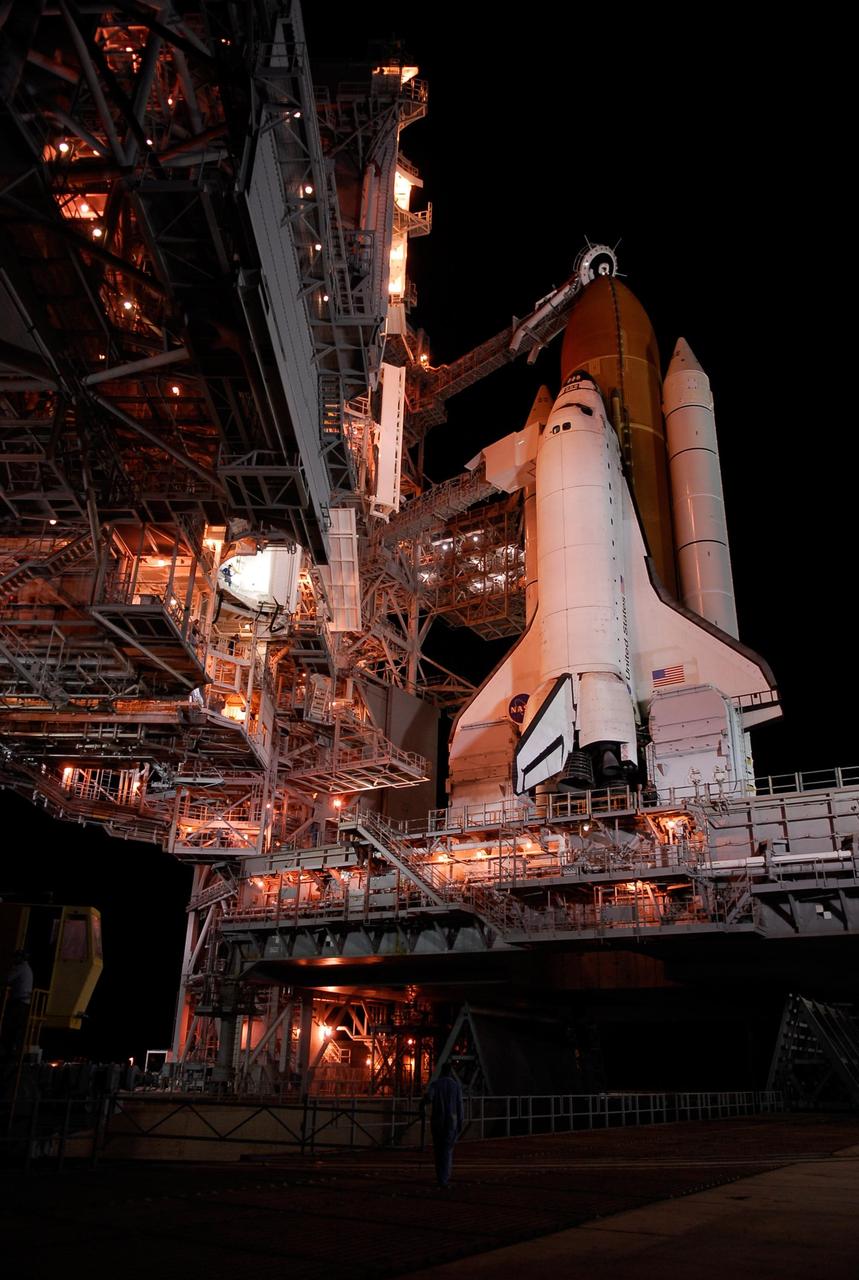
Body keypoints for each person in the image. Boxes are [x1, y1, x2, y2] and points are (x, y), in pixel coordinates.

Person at [421, 1061, 464, 1190]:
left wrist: (422, 1104)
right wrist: (460, 1123)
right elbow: (460, 1106)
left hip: (437, 1122)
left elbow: (429, 1098)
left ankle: (440, 1176)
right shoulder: (456, 1086)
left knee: (438, 1150)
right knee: (447, 1151)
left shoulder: (436, 1084)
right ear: (450, 1072)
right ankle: (444, 1179)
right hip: (451, 1123)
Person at [1, 949, 34, 1061]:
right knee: (17, 1028)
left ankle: (8, 1052)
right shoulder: (28, 969)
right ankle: (13, 1052)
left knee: (11, 1027)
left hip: (19, 1002)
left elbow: (7, 978)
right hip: (24, 1002)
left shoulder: (20, 968)